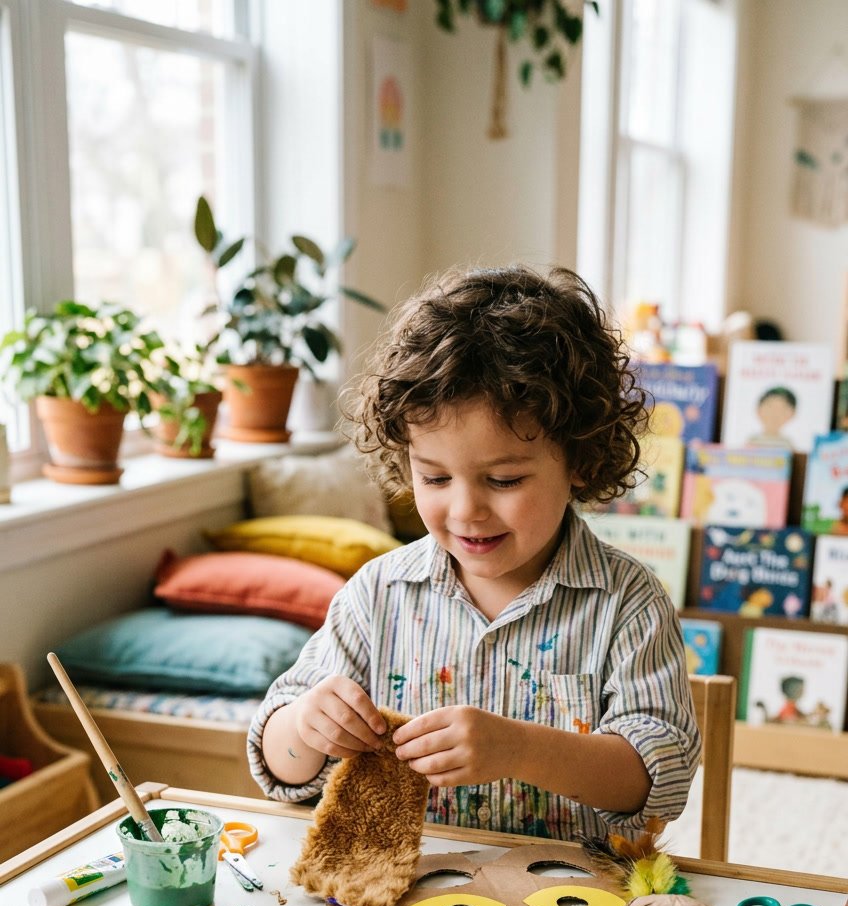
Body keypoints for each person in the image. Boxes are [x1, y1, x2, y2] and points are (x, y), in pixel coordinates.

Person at [247, 266, 701, 843]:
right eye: (435, 479)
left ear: (581, 460)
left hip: (575, 902)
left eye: (505, 480)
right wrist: (308, 728)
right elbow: (276, 762)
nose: (465, 511)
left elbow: (660, 779)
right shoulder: (377, 594)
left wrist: (521, 749)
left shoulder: (628, 603)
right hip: (411, 894)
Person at [746, 385, 797, 449]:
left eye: (781, 409)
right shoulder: (750, 442)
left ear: (792, 414)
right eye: (770, 407)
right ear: (758, 410)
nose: (774, 414)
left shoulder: (789, 445)